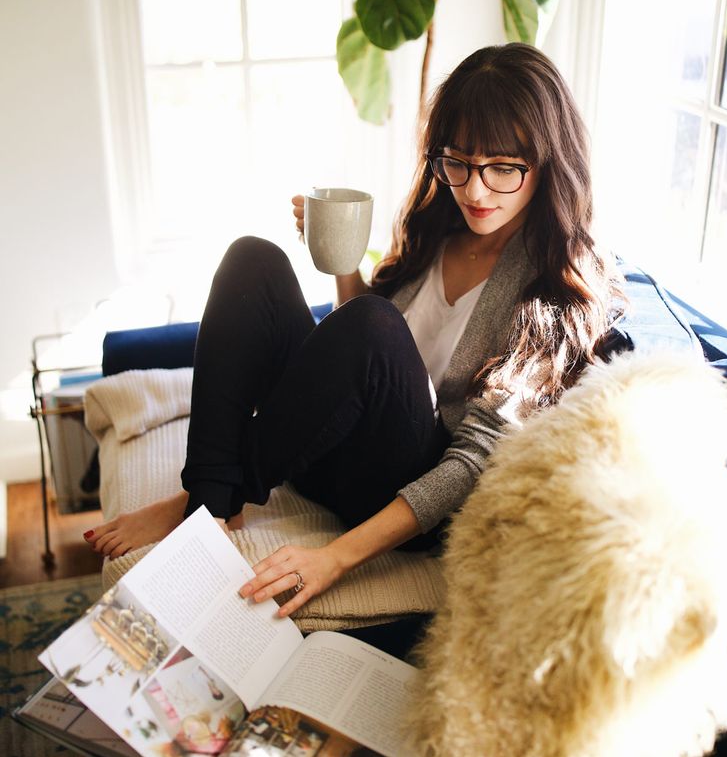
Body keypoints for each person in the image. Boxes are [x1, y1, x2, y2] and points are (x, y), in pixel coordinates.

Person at [84, 43, 623, 620]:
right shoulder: (442, 228)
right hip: (334, 444)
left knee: (372, 322)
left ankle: (209, 495)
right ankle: (213, 500)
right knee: (254, 261)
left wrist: (333, 559)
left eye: (503, 168)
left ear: (548, 164)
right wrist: (342, 259)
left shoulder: (553, 285)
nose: (475, 190)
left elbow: (469, 462)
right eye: (459, 162)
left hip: (405, 490)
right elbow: (367, 349)